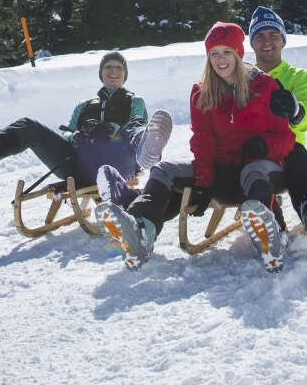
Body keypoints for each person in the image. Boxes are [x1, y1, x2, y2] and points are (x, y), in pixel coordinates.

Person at [94, 22, 295, 272]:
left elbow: (286, 138)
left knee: (253, 172)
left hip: (255, 177)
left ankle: (271, 235)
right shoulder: (201, 92)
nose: (220, 60)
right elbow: (202, 140)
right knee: (164, 169)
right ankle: (141, 229)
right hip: (221, 174)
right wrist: (203, 182)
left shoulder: (265, 86)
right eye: (214, 54)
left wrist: (263, 145)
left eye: (226, 52)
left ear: (238, 53)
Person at [0, 50, 171, 188]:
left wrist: (110, 129)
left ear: (125, 74)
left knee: (134, 130)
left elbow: (136, 124)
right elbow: (67, 133)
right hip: (80, 166)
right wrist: (79, 135)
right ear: (101, 73)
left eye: (119, 68)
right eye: (108, 67)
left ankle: (148, 154)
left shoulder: (134, 100)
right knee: (28, 126)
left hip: (117, 163)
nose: (113, 71)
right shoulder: (84, 106)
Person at [246, 5, 307, 242]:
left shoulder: (299, 77)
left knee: (297, 159)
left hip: (287, 152)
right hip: (252, 152)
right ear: (252, 43)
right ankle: (271, 221)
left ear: (283, 40)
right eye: (259, 36)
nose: (267, 41)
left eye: (273, 35)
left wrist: (296, 111)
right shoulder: (243, 77)